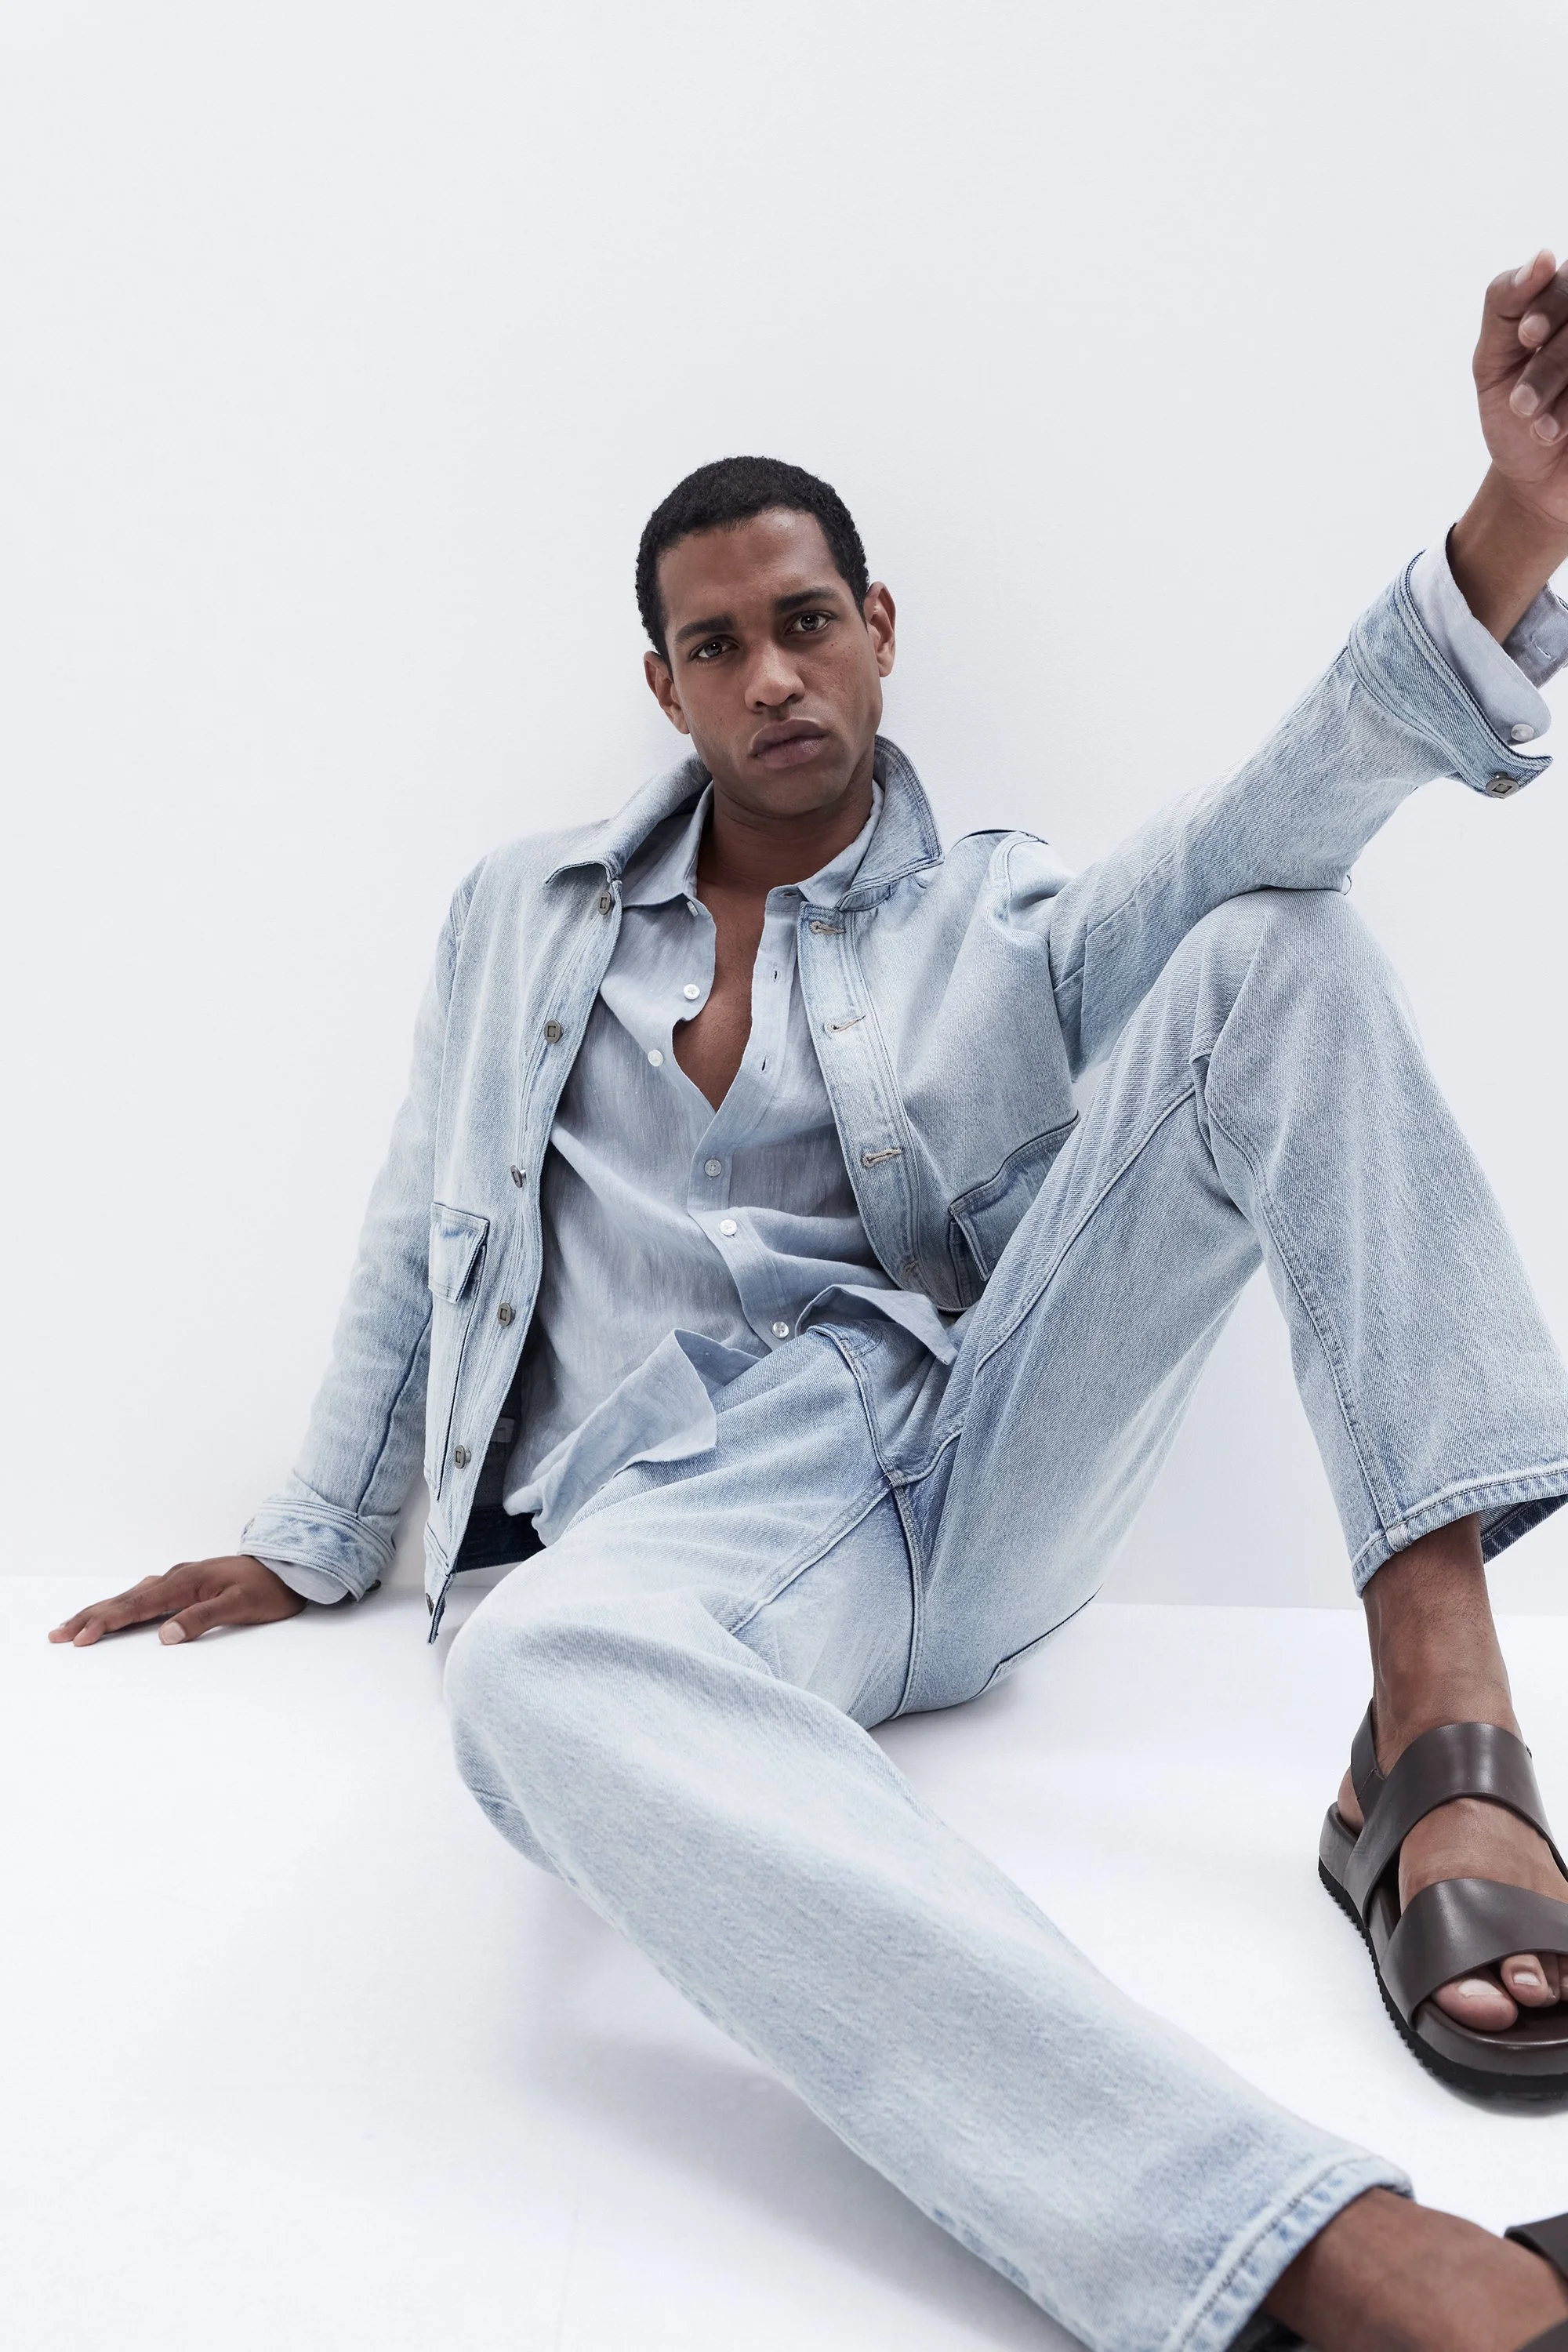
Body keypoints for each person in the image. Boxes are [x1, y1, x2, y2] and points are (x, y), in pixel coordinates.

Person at [50, 254, 1568, 2351]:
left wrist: (1513, 523)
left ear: (878, 632)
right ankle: (1304, 2241)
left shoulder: (1004, 912)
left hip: (972, 1458)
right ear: (664, 685)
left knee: (1276, 946)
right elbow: (422, 1222)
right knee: (532, 1670)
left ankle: (1437, 1716)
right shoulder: (520, 918)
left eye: (808, 622)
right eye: (720, 644)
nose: (773, 675)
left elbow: (1275, 810)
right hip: (686, 1535)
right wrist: (314, 1537)